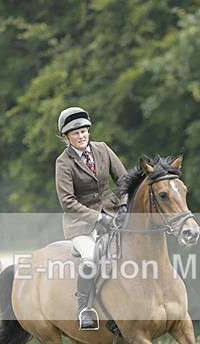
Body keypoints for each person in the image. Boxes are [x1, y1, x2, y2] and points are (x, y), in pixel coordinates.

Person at [55, 106, 127, 330]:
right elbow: (67, 201)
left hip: (113, 216)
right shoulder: (63, 163)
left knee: (133, 254)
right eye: (75, 133)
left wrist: (123, 205)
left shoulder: (103, 150)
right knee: (91, 258)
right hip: (81, 226)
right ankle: (84, 308)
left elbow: (125, 180)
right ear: (67, 137)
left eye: (84, 131)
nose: (81, 136)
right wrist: (97, 218)